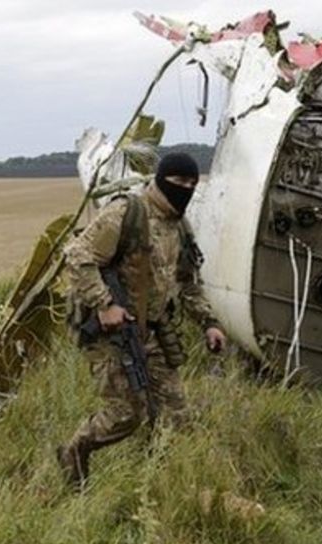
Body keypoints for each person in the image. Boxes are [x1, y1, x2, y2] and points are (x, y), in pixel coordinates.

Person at [57, 152, 227, 490]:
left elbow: (188, 281)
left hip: (153, 330)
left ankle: (166, 486)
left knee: (177, 415)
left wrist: (208, 323)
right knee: (126, 413)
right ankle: (75, 450)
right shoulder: (127, 213)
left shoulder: (180, 225)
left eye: (193, 184)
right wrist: (105, 304)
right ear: (162, 180)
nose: (186, 189)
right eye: (179, 183)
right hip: (112, 333)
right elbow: (76, 256)